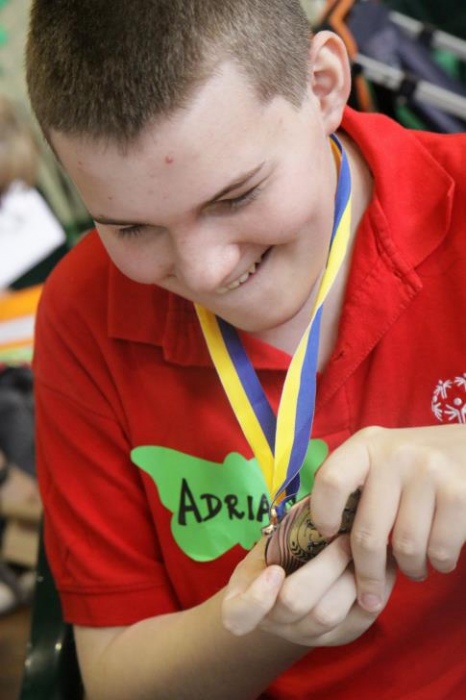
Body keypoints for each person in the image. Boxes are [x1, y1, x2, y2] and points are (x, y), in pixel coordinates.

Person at [25, 1, 466, 698]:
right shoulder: (84, 309)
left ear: (323, 85)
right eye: (131, 228)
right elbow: (115, 677)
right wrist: (267, 623)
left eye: (236, 196)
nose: (204, 273)